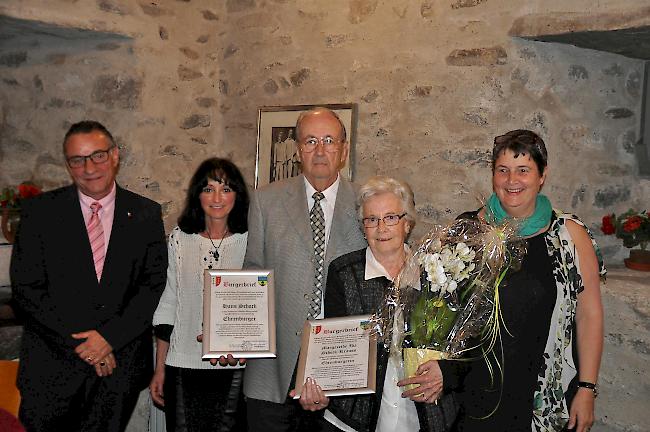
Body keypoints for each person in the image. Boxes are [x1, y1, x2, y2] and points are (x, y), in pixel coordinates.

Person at [11, 120, 168, 431]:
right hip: (51, 371)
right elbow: (27, 290)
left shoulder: (145, 214)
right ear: (68, 165)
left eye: (97, 155)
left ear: (114, 156)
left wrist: (109, 339)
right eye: (77, 159)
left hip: (117, 372)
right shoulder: (39, 213)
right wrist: (88, 346)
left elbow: (151, 288)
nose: (89, 167)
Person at [449, 129, 605, 432]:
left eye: (523, 170)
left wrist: (587, 388)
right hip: (476, 392)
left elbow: (590, 314)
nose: (512, 181)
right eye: (503, 170)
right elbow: (447, 311)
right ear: (492, 174)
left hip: (545, 393)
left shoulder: (569, 236)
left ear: (542, 175)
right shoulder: (468, 230)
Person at [295, 176, 459, 432]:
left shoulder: (436, 272)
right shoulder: (343, 272)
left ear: (407, 224)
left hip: (423, 417)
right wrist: (320, 386)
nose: (381, 228)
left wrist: (445, 374)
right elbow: (333, 343)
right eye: (372, 220)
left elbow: (464, 347)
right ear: (363, 227)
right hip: (355, 419)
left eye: (391, 217)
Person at [243, 107, 367, 431]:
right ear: (298, 150)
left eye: (329, 140)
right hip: (274, 368)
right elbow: (252, 274)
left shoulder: (365, 206)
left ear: (343, 148)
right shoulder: (265, 202)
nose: (321, 150)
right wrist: (235, 334)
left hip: (341, 362)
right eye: (311, 141)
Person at [150, 157, 249, 432]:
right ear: (197, 195)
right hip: (183, 365)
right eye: (208, 189)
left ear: (237, 195)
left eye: (226, 189)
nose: (217, 197)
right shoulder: (180, 239)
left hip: (236, 368)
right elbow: (170, 302)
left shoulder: (252, 240)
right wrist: (160, 367)